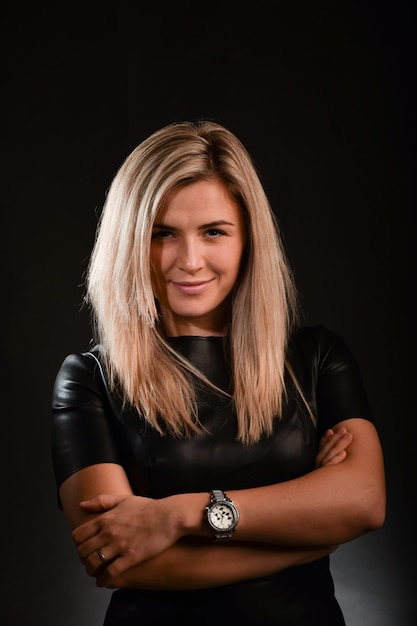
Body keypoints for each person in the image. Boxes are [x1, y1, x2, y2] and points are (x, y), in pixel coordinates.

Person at [51, 120, 386, 626]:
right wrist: (310, 538)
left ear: (249, 238)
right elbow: (118, 560)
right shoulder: (90, 378)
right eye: (163, 233)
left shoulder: (318, 358)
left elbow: (364, 502)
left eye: (213, 232)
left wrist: (177, 514)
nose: (190, 261)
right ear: (130, 241)